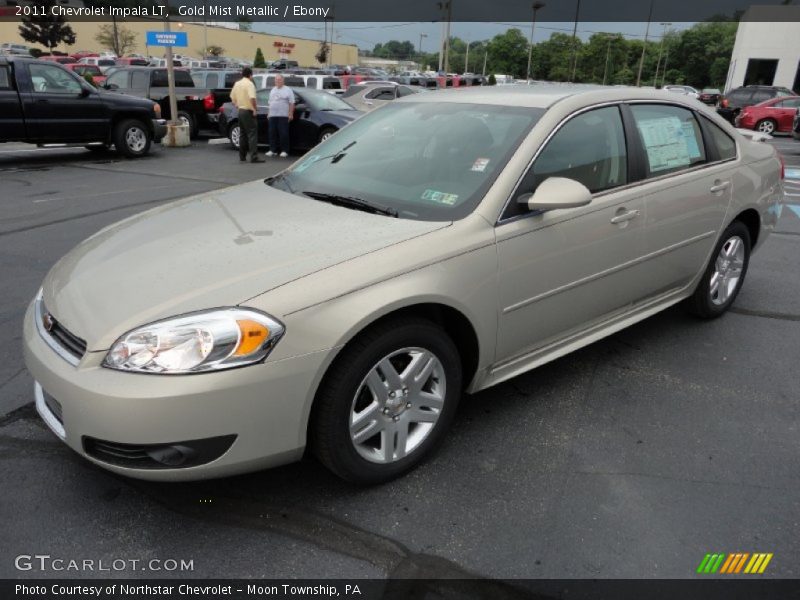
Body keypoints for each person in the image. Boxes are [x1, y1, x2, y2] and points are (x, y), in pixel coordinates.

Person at [229, 67, 262, 163]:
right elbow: (252, 98)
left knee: (242, 134)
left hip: (240, 111)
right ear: (250, 75)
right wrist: (254, 109)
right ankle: (254, 157)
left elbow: (232, 97)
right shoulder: (250, 84)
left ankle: (242, 156)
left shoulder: (237, 83)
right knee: (252, 134)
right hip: (248, 111)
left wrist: (237, 105)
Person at [266, 75, 295, 158]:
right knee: (272, 133)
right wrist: (269, 113)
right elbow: (270, 103)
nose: (277, 81)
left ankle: (284, 150)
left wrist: (290, 113)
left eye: (279, 80)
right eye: (276, 80)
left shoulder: (288, 90)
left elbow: (292, 103)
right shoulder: (273, 90)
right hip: (273, 115)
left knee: (283, 133)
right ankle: (273, 150)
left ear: (283, 80)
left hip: (283, 115)